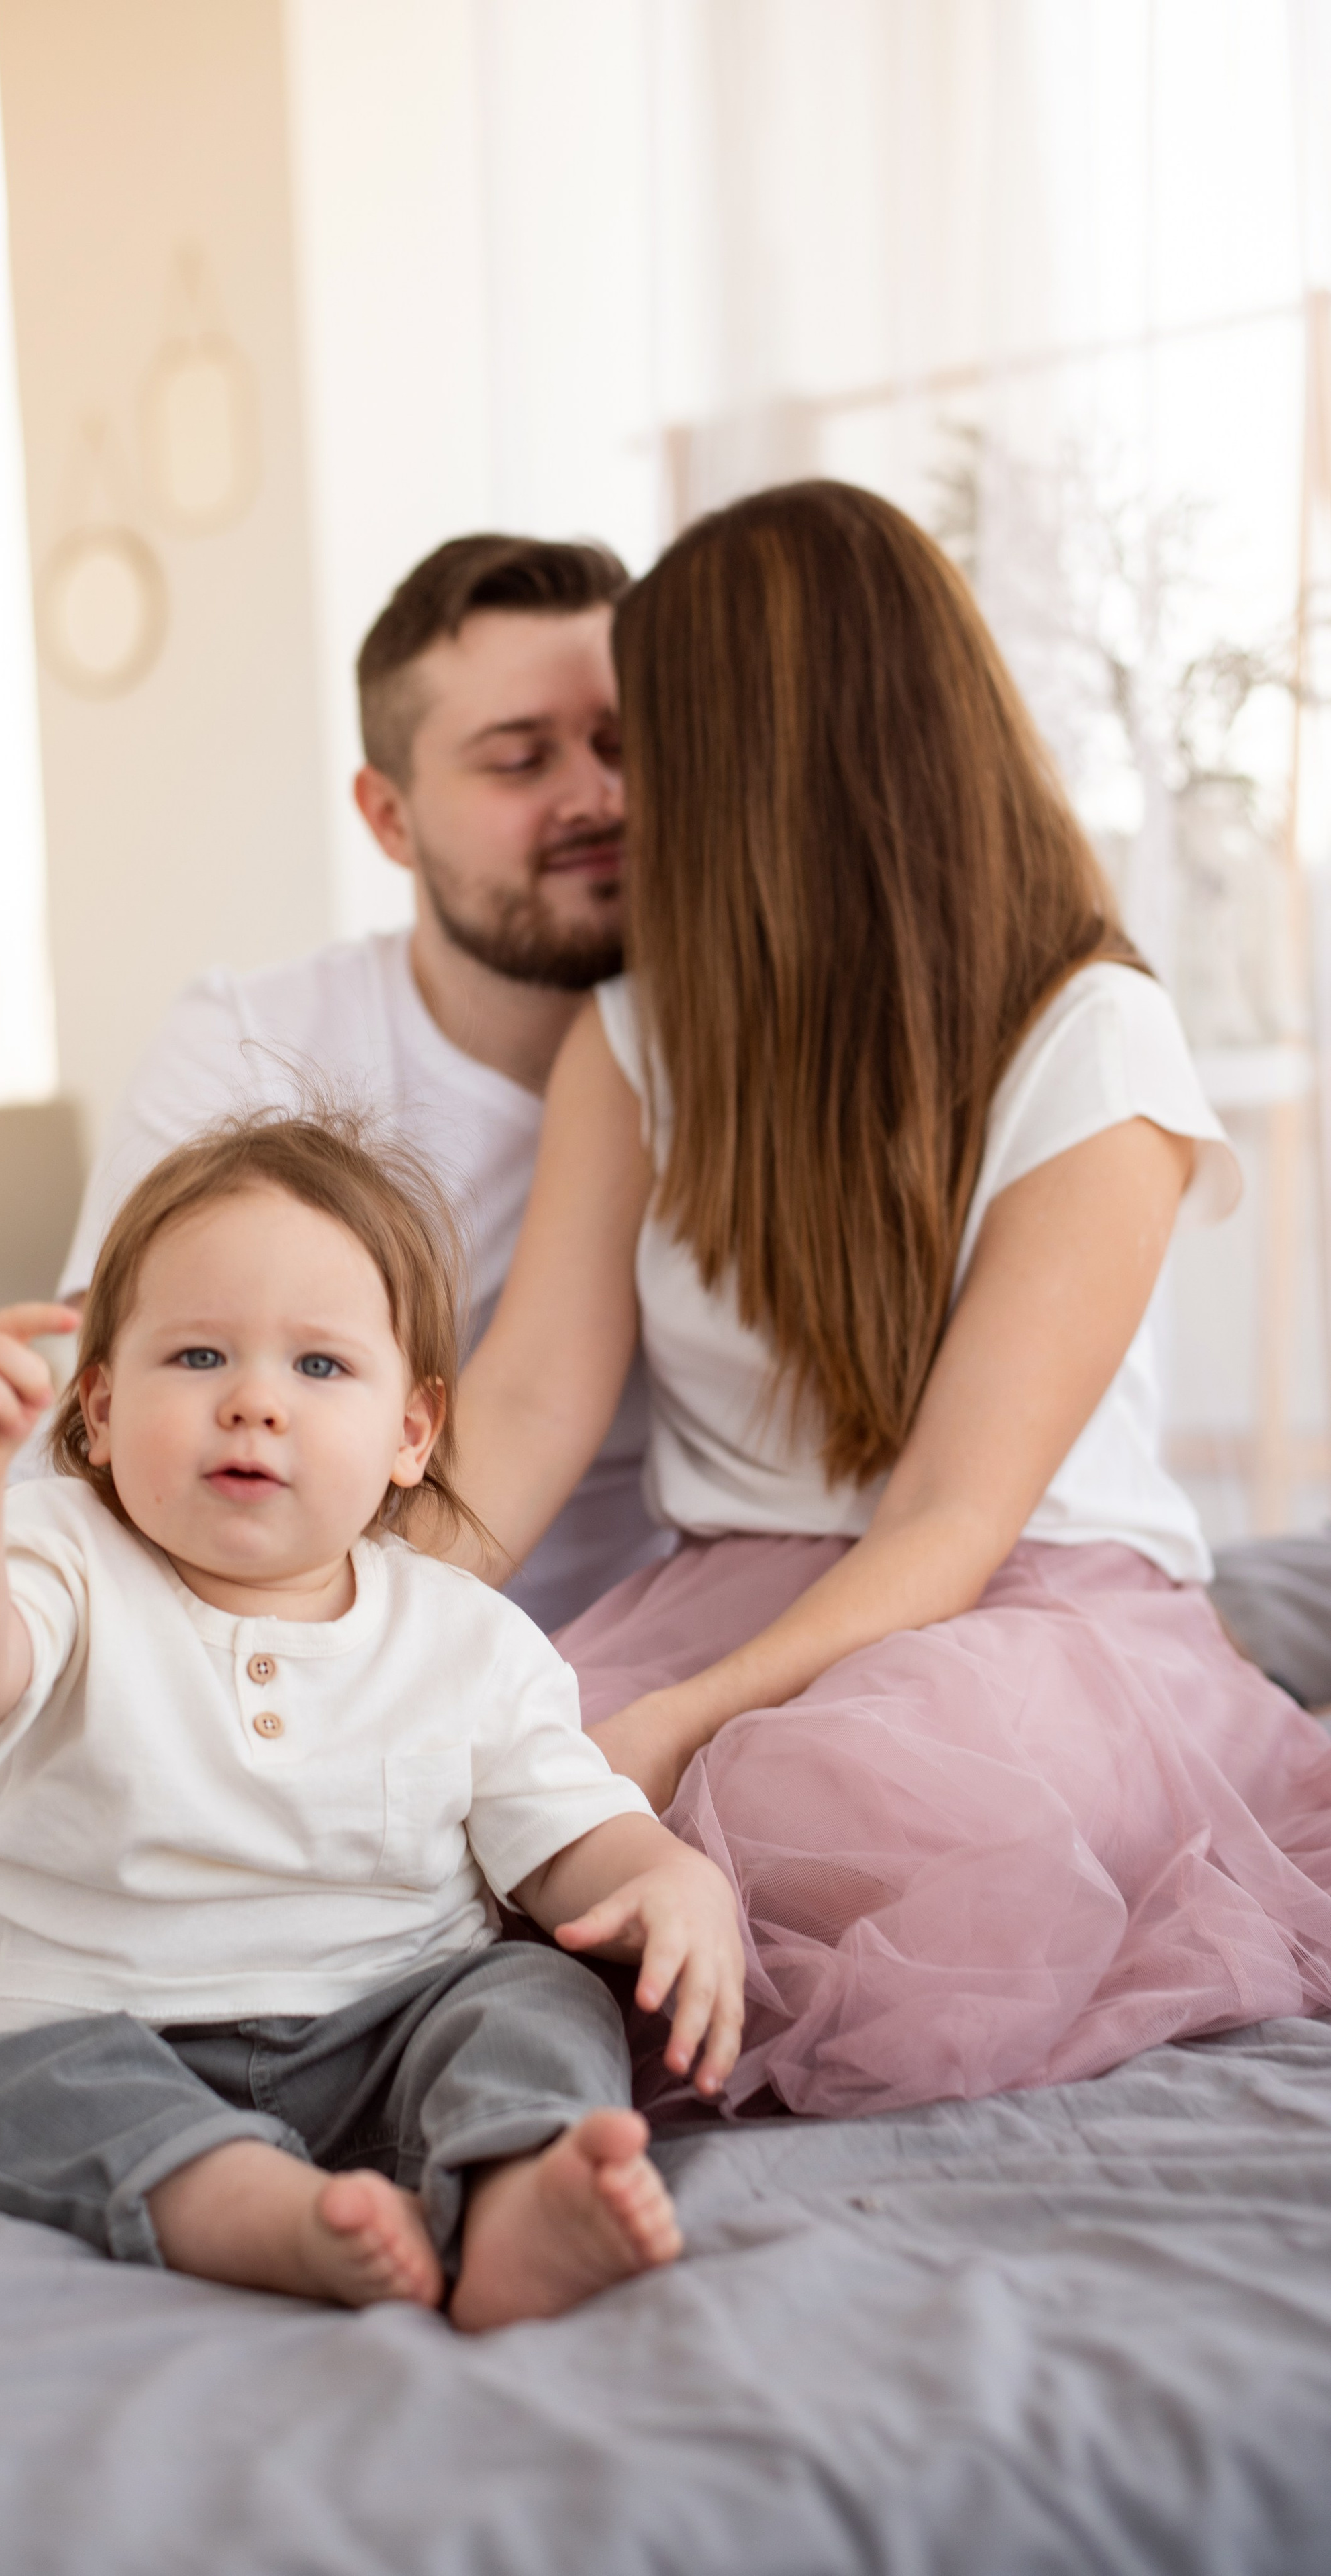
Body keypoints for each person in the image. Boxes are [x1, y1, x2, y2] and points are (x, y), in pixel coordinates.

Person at [0, 533, 667, 1936]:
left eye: (618, 741)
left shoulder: (718, 1076)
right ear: (391, 814)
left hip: (396, 1680)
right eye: (519, 758)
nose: (593, 795)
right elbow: (113, 1403)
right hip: (71, 1554)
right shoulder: (257, 1028)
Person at [437, 481, 1331, 2124]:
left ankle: (547, 2095)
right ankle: (504, 2115)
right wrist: (337, 1619)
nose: (621, 796)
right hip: (729, 1591)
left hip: (1003, 1602)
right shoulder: (636, 1038)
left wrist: (667, 1729)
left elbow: (947, 1519)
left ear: (759, 759)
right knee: (439, 1798)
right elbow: (522, 1402)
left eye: (648, 745)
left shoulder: (1091, 1038)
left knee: (844, 1814)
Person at [0, 1113, 742, 2326]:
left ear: (411, 1433)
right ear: (101, 1411)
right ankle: (270, 2220)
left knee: (538, 1999)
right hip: (113, 2029)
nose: (255, 1405)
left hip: (388, 2022)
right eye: (199, 1359)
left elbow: (565, 1835)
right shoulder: (65, 1557)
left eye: (319, 1367)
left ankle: (515, 2186)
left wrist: (662, 1869)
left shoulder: (464, 1634)